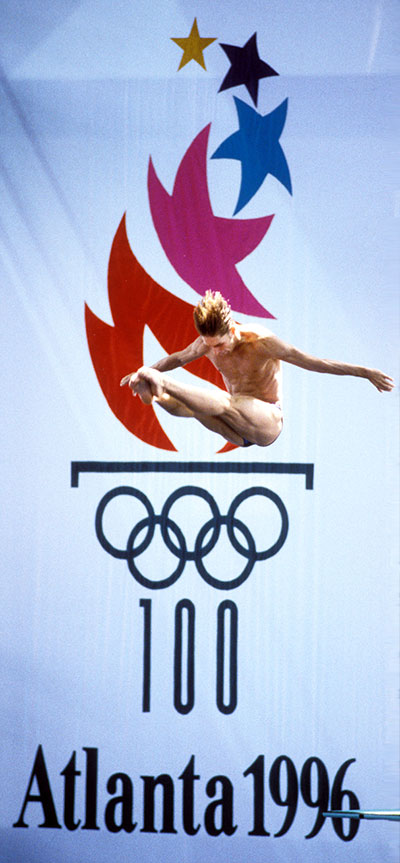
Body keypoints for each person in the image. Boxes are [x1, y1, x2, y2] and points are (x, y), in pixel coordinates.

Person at [120, 291, 394, 448]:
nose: (214, 351)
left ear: (233, 329)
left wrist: (364, 372)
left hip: (267, 420)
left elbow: (314, 362)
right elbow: (178, 358)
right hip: (237, 432)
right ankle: (155, 394)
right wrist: (142, 372)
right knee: (193, 409)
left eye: (219, 344)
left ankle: (160, 384)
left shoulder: (261, 342)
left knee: (225, 402)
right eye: (209, 344)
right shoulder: (205, 344)